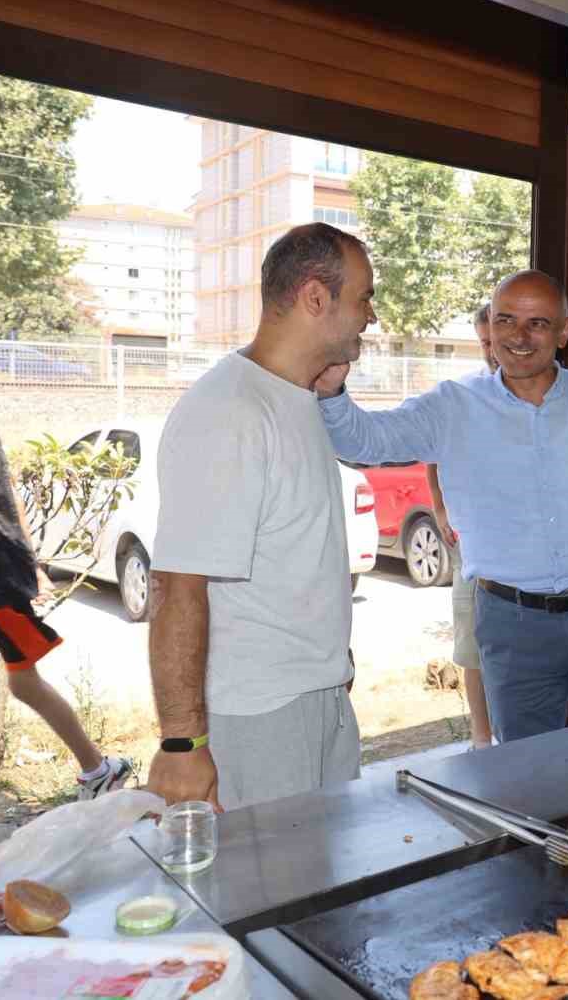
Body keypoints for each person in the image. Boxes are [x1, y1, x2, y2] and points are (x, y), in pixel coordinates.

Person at [317, 270, 568, 744]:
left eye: (537, 324)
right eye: (506, 320)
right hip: (513, 624)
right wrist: (332, 391)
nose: (518, 337)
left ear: (565, 331)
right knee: (526, 774)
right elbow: (362, 440)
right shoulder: (453, 406)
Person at [146, 222, 375, 810]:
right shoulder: (229, 413)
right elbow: (177, 585)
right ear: (316, 298)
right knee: (268, 897)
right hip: (260, 716)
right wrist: (182, 742)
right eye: (363, 297)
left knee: (325, 892)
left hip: (318, 697)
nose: (370, 316)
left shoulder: (295, 398)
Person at [0, 351, 133, 800]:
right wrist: (37, 562)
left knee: (24, 683)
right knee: (25, 683)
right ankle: (98, 768)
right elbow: (14, 501)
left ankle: (98, 769)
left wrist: (28, 566)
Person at [425, 302, 495, 750]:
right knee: (471, 644)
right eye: (485, 341)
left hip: (515, 553)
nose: (492, 350)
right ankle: (481, 738)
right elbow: (432, 457)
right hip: (472, 548)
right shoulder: (461, 394)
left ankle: (514, 740)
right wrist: (440, 509)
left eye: (497, 340)